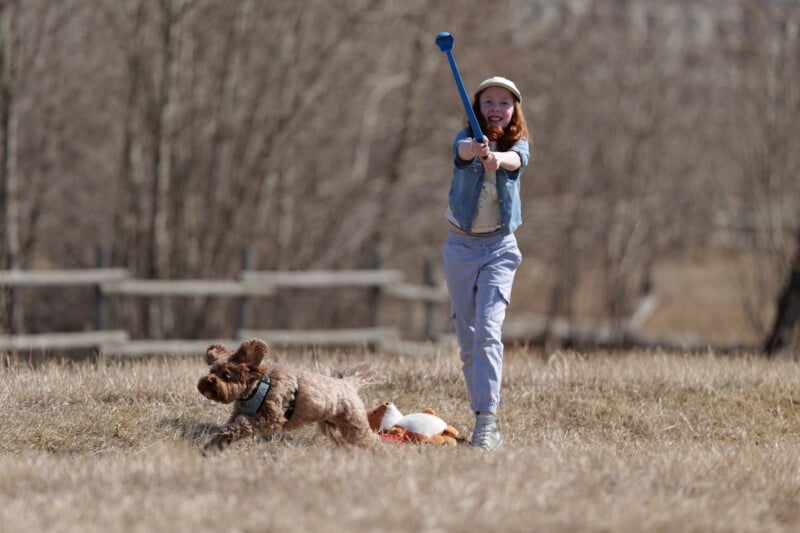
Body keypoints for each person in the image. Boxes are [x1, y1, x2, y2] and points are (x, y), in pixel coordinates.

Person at [442, 76, 531, 451]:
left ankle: (487, 422)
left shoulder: (519, 146)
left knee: (489, 334)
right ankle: (480, 413)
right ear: (477, 106)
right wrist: (475, 150)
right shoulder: (465, 141)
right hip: (460, 249)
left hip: (499, 250)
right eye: (489, 101)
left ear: (514, 111)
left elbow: (516, 160)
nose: (496, 108)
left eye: (504, 103)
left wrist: (497, 158)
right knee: (468, 340)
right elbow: (461, 152)